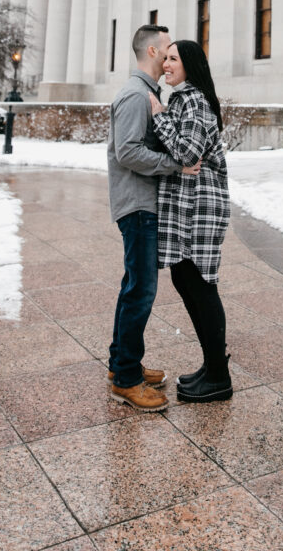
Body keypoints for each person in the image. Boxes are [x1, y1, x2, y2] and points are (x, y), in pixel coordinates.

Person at [107, 23, 201, 412]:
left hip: (142, 204)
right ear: (151, 52)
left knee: (134, 287)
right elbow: (127, 152)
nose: (169, 53)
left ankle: (121, 365)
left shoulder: (146, 92)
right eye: (166, 47)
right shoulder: (135, 96)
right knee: (141, 291)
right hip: (138, 206)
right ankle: (126, 380)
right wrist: (174, 165)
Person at [148, 39, 232, 403]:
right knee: (185, 277)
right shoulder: (184, 100)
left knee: (200, 282)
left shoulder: (194, 101)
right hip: (188, 204)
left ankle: (219, 375)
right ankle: (212, 366)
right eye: (164, 58)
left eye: (173, 59)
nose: (166, 64)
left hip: (202, 206)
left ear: (190, 66)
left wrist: (159, 116)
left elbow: (187, 153)